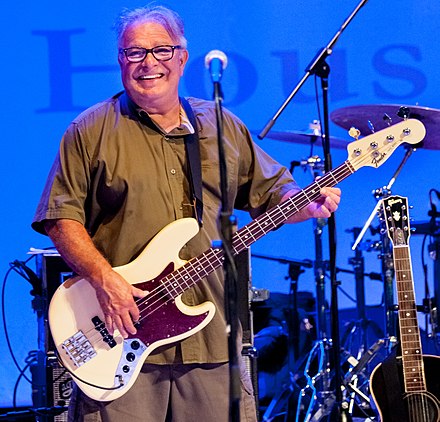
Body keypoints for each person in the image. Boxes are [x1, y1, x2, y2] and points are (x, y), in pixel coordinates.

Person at [32, 5, 341, 422]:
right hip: (121, 337)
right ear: (120, 60)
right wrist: (106, 281)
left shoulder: (221, 126)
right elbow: (60, 217)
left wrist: (306, 203)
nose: (148, 64)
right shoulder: (90, 130)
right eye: (134, 53)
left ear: (181, 57)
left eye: (160, 51)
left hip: (212, 343)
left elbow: (273, 195)